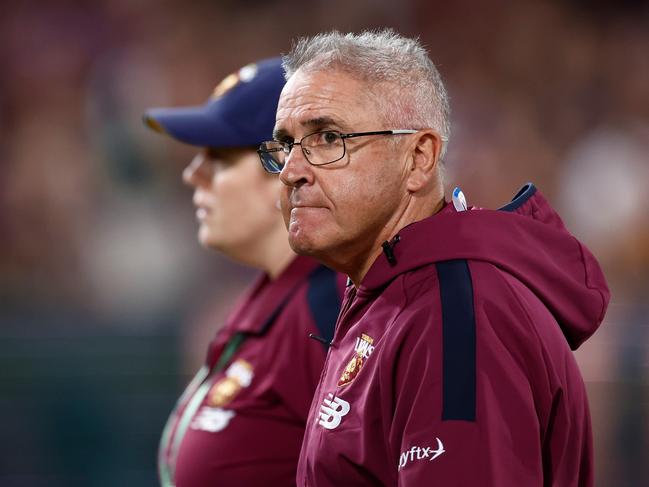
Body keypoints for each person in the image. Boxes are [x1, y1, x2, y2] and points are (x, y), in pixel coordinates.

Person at [257, 31, 610, 486]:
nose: (291, 171)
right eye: (286, 144)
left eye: (328, 137)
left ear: (420, 158)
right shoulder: (393, 294)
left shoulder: (455, 315)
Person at [143, 57, 342, 487]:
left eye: (220, 158)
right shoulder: (279, 296)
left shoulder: (333, 303)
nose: (192, 174)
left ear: (285, 168)